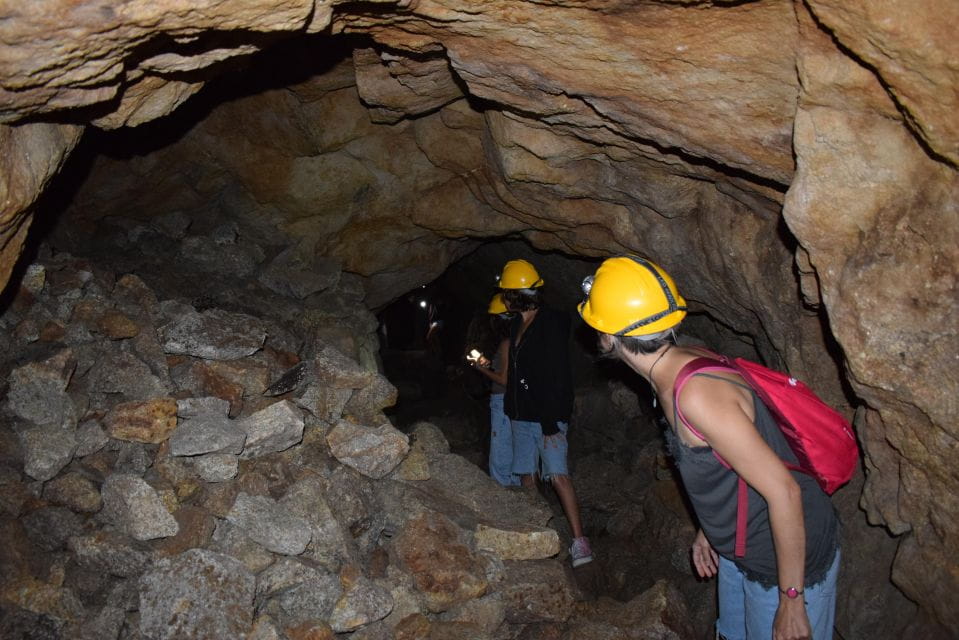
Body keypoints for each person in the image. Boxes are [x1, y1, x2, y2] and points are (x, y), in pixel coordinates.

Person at [577, 255, 840, 640]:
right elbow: (724, 461)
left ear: (609, 336)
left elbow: (785, 492)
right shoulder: (679, 366)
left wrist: (792, 600)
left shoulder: (695, 396)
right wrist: (711, 528)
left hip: (782, 562)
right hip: (738, 547)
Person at [497, 259, 593, 568]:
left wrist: (552, 419)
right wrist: (512, 408)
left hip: (546, 415)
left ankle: (580, 542)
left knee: (558, 475)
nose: (504, 298)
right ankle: (541, 529)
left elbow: (557, 374)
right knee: (527, 473)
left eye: (507, 292)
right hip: (522, 413)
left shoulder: (551, 322)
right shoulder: (516, 323)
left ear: (518, 294)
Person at [468, 293, 520, 487]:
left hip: (503, 400)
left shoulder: (507, 343)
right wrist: (489, 365)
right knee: (512, 450)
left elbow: (504, 380)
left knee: (500, 455)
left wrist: (481, 369)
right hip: (511, 400)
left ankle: (503, 495)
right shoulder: (516, 341)